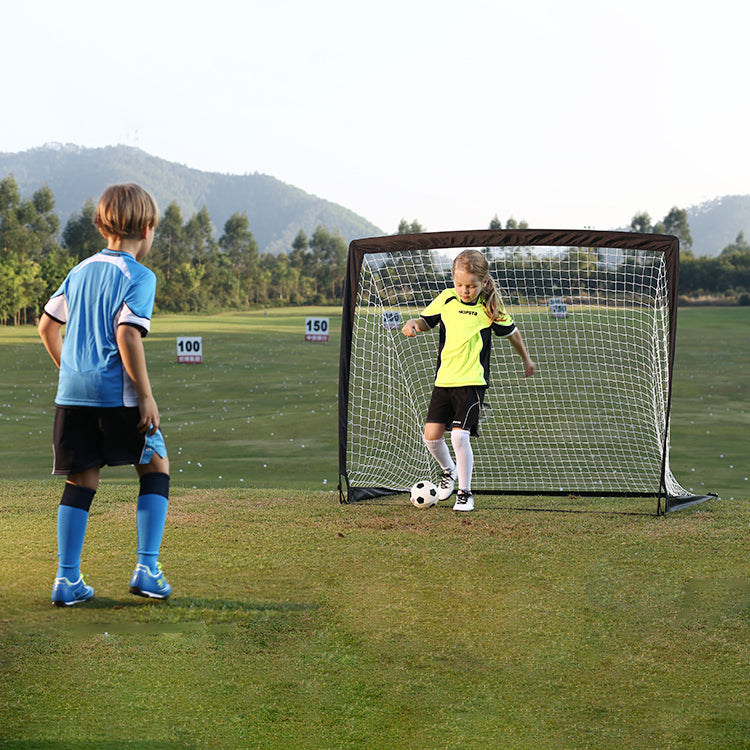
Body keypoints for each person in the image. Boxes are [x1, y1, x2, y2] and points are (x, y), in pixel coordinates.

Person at [39, 183, 172, 606]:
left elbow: (46, 327)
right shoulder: (139, 275)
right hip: (117, 396)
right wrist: (146, 396)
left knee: (82, 479)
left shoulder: (78, 271)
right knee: (156, 466)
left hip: (72, 395)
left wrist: (72, 370)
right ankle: (147, 570)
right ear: (148, 229)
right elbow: (128, 334)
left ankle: (67, 580)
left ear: (100, 226)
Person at [401, 249, 536, 511]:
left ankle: (465, 493)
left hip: (472, 381)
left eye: (471, 286)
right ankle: (448, 470)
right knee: (431, 437)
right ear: (453, 280)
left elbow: (513, 334)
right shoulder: (446, 299)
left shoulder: (489, 307)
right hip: (444, 379)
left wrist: (527, 360)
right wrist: (412, 324)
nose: (465, 290)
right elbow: (425, 322)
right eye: (460, 284)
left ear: (483, 283)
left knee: (459, 438)